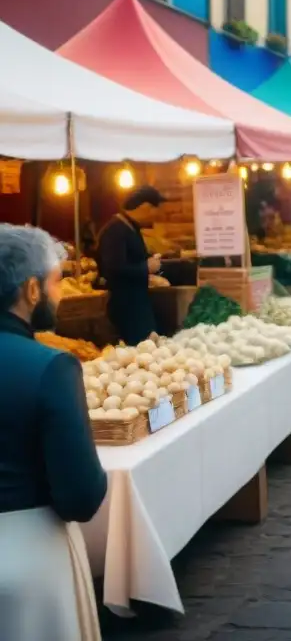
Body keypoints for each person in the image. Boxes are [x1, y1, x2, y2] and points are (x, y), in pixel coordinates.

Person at [0, 225, 107, 641]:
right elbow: (80, 495)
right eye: (56, 281)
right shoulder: (51, 367)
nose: (59, 294)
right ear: (31, 290)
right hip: (27, 561)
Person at [96, 185, 164, 345]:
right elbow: (113, 268)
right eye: (156, 210)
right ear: (146, 207)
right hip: (126, 306)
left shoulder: (131, 228)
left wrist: (152, 262)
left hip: (139, 302)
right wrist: (145, 268)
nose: (157, 215)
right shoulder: (115, 230)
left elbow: (134, 258)